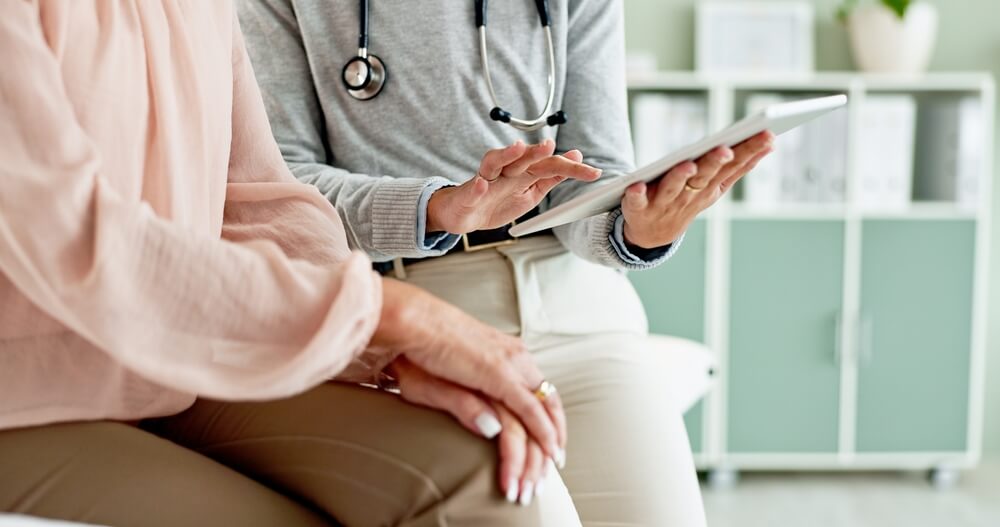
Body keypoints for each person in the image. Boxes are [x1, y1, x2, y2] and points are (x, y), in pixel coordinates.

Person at [0, 2, 588, 526]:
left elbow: (255, 201)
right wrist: (390, 315)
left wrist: (382, 351)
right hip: (27, 401)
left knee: (486, 483)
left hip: (180, 371)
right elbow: (70, 234)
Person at [237, 0, 774, 524]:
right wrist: (438, 208)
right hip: (423, 323)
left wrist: (638, 229)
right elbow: (283, 190)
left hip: (583, 309)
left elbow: (591, 177)